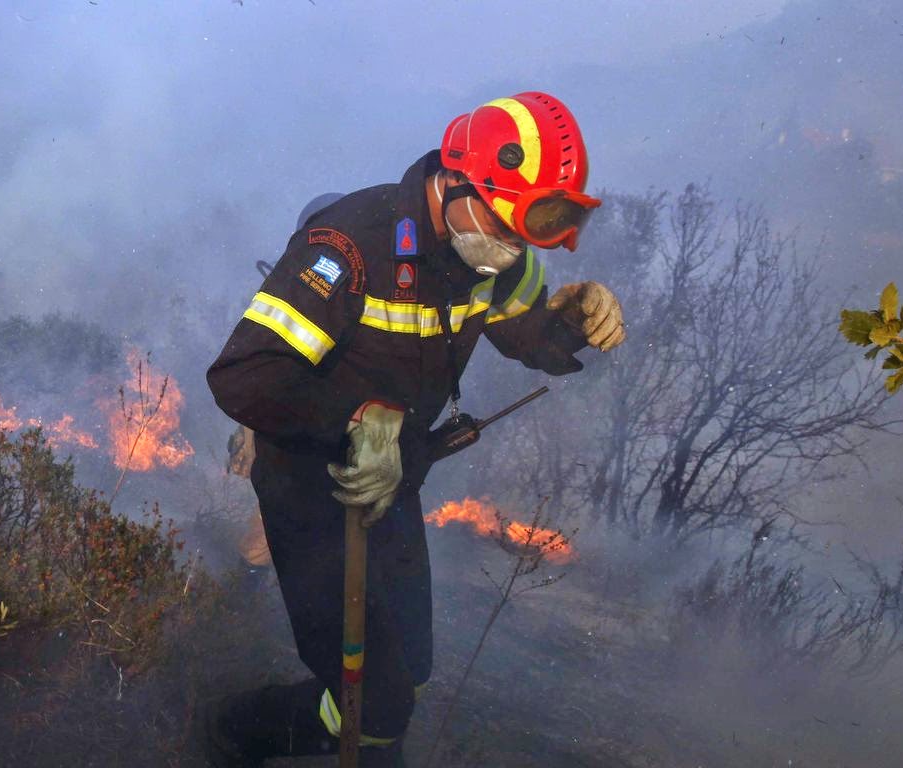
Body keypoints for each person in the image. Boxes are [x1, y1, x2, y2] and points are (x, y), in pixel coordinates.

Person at [203, 91, 625, 767]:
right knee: (376, 699)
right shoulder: (350, 247)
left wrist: (571, 320)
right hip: (310, 489)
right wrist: (351, 423)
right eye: (505, 224)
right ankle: (236, 732)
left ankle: (345, 735)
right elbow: (245, 375)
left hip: (396, 482)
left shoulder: (493, 257)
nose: (512, 249)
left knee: (411, 672)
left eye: (526, 234)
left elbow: (531, 336)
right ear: (455, 179)